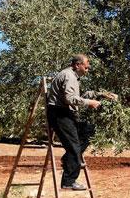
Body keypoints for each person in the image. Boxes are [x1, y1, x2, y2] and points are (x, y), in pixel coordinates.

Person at [46, 54, 115, 190]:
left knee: (89, 131)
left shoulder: (73, 77)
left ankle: (69, 159)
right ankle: (68, 181)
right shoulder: (69, 76)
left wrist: (101, 95)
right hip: (60, 114)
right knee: (74, 147)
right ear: (78, 65)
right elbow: (70, 99)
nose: (88, 68)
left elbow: (78, 96)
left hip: (65, 113)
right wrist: (90, 103)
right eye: (86, 65)